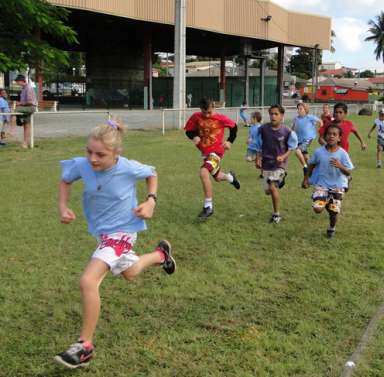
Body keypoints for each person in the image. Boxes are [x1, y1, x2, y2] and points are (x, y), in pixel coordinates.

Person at [54, 119, 176, 369]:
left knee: (88, 281)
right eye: (89, 152)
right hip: (102, 234)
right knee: (130, 273)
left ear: (116, 153)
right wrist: (63, 206)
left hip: (123, 232)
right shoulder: (83, 165)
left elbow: (152, 173)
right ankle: (161, 255)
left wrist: (150, 200)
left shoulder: (128, 167)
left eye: (101, 154)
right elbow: (66, 179)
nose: (93, 159)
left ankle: (84, 346)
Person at [184, 98, 240, 220]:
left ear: (213, 107)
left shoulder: (220, 118)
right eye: (204, 113)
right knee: (218, 177)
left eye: (209, 112)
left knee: (203, 172)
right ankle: (230, 177)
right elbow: (188, 130)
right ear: (200, 109)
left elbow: (234, 127)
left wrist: (230, 141)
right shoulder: (196, 117)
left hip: (217, 152)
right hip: (205, 152)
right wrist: (194, 137)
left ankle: (208, 206)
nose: (207, 115)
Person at [305, 124, 354, 238]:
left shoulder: (342, 153)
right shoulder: (319, 152)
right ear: (325, 136)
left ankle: (331, 228)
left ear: (339, 138)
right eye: (329, 134)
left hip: (337, 185)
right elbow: (311, 165)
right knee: (317, 208)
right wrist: (306, 179)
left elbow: (348, 172)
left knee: (333, 212)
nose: (331, 136)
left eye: (334, 134)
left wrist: (340, 166)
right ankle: (325, 199)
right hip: (322, 184)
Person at [255, 104, 298, 224]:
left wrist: (283, 156)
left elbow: (292, 147)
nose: (273, 116)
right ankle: (279, 181)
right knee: (268, 191)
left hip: (280, 165)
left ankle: (276, 215)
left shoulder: (287, 131)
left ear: (282, 116)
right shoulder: (263, 129)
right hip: (266, 164)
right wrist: (258, 158)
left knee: (272, 186)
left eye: (276, 114)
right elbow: (258, 144)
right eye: (271, 114)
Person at [292, 102, 321, 188]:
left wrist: (320, 129)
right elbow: (293, 129)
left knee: (297, 151)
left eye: (301, 109)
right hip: (299, 140)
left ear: (305, 110)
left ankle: (305, 167)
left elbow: (320, 121)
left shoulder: (309, 117)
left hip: (307, 139)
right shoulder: (296, 119)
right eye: (298, 109)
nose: (299, 110)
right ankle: (314, 168)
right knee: (306, 158)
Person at [14, 74, 37, 148]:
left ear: (21, 81)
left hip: (30, 107)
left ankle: (14, 127)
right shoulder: (23, 89)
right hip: (26, 107)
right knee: (26, 126)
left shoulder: (28, 88)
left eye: (17, 82)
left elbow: (30, 102)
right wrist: (20, 104)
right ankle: (25, 143)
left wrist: (20, 104)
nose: (17, 83)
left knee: (15, 110)